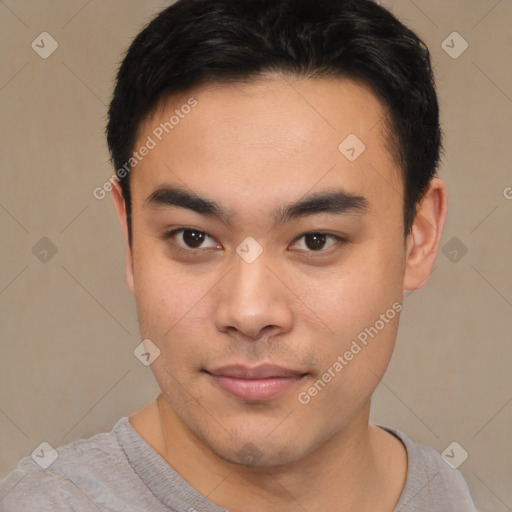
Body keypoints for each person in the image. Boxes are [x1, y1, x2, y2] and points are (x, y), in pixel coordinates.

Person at [0, 0, 479, 510]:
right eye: (192, 237)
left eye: (315, 240)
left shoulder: (440, 490)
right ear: (131, 237)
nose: (249, 313)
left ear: (419, 237)